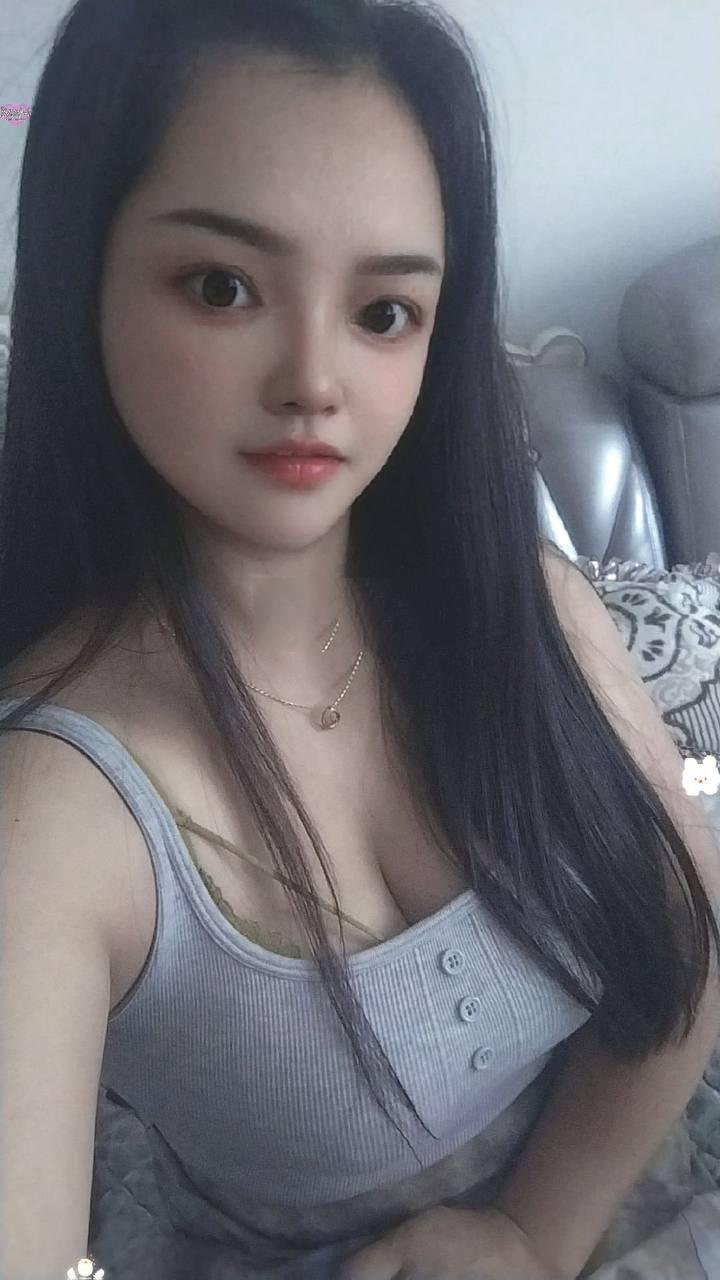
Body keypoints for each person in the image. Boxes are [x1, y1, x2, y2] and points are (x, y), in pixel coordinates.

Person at [1, 1, 719, 1277]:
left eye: (384, 312)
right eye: (222, 287)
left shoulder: (526, 608)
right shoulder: (53, 809)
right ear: (81, 277)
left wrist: (531, 1230)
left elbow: (688, 932)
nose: (314, 380)